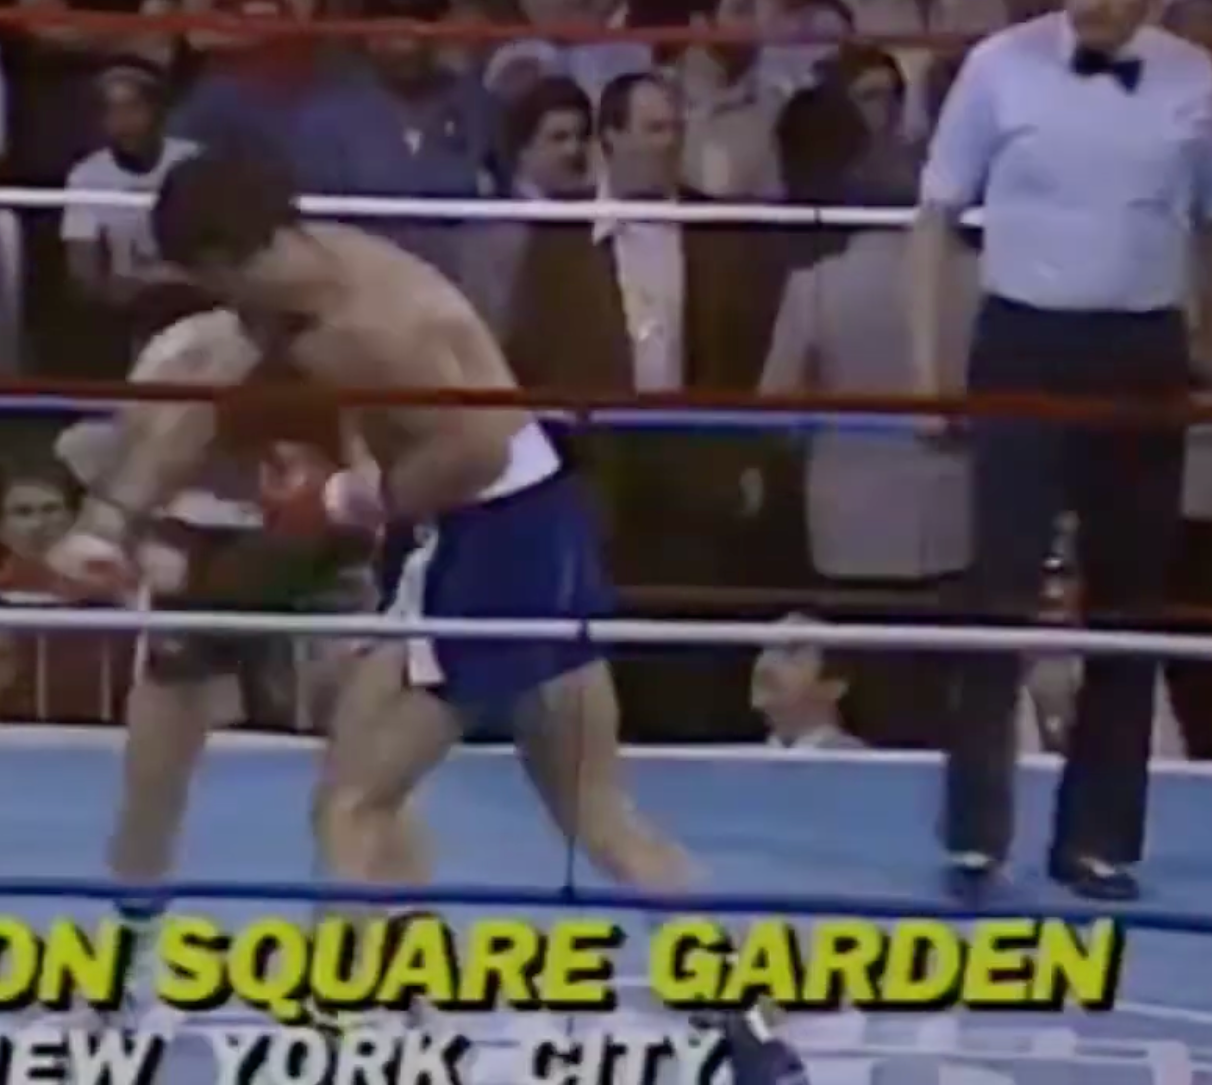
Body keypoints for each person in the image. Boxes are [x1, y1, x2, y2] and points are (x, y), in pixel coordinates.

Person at [46, 150, 807, 1081]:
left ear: (227, 255)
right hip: (543, 530)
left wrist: (346, 502)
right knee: (601, 818)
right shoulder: (295, 280)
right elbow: (201, 400)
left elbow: (476, 449)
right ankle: (752, 1035)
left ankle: (330, 1043)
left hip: (486, 539)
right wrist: (109, 521)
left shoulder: (381, 324)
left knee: (353, 802)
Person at [910, 0, 1212, 902]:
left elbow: (1206, 229)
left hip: (1143, 351)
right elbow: (933, 223)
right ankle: (975, 836)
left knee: (1127, 604)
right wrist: (930, 376)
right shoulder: (997, 69)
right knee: (997, 593)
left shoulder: (1198, 81)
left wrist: (1203, 345)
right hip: (1021, 344)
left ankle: (1098, 843)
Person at [54, 306, 431, 1020]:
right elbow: (123, 457)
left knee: (372, 767)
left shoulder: (351, 344)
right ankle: (125, 955)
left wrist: (334, 498)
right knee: (155, 772)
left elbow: (385, 475)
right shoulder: (188, 351)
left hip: (321, 555)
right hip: (203, 553)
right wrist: (125, 540)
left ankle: (397, 967)